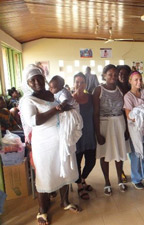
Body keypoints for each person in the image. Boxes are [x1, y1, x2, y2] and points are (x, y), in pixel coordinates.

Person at [19, 64, 81, 225]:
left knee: (64, 171)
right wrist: (57, 109)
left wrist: (65, 108)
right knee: (45, 175)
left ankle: (65, 202)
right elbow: (34, 120)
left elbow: (62, 107)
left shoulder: (49, 94)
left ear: (44, 78)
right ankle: (42, 211)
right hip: (43, 144)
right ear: (28, 83)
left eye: (39, 78)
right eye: (32, 81)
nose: (37, 82)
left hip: (60, 141)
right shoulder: (27, 100)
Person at [93, 64, 130, 196]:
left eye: (115, 75)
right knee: (105, 155)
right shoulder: (98, 90)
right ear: (104, 76)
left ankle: (120, 179)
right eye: (110, 74)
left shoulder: (120, 90)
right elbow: (95, 113)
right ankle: (107, 182)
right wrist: (98, 133)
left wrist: (126, 130)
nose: (113, 77)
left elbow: (124, 110)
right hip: (105, 124)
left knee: (119, 153)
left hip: (119, 123)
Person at [72, 72, 96, 200]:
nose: (79, 85)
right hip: (77, 137)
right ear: (73, 83)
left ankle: (82, 178)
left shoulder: (91, 98)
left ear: (86, 84)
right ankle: (80, 185)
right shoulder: (70, 99)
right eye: (77, 82)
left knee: (91, 162)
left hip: (90, 135)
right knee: (77, 163)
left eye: (82, 82)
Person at [116, 64, 131, 183]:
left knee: (131, 147)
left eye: (125, 74)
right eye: (120, 74)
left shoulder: (132, 87)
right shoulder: (115, 88)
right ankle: (120, 171)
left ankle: (135, 170)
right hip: (120, 121)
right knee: (121, 148)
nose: (123, 76)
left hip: (131, 120)